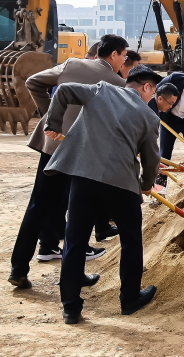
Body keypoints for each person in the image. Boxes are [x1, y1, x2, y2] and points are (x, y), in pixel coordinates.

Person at [41, 66, 162, 323]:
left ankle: (71, 308)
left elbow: (63, 90)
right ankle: (129, 299)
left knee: (74, 241)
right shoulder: (149, 117)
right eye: (153, 92)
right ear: (146, 87)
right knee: (131, 241)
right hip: (122, 184)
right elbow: (152, 159)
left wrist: (53, 124)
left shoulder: (101, 91)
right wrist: (146, 184)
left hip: (84, 178)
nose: (151, 98)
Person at [9, 33, 127, 287]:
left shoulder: (72, 64)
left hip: (52, 145)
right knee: (77, 213)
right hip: (82, 153)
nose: (123, 62)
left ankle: (18, 269)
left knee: (38, 204)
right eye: (124, 56)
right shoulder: (118, 83)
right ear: (113, 55)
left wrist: (53, 116)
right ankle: (74, 276)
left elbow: (33, 82)